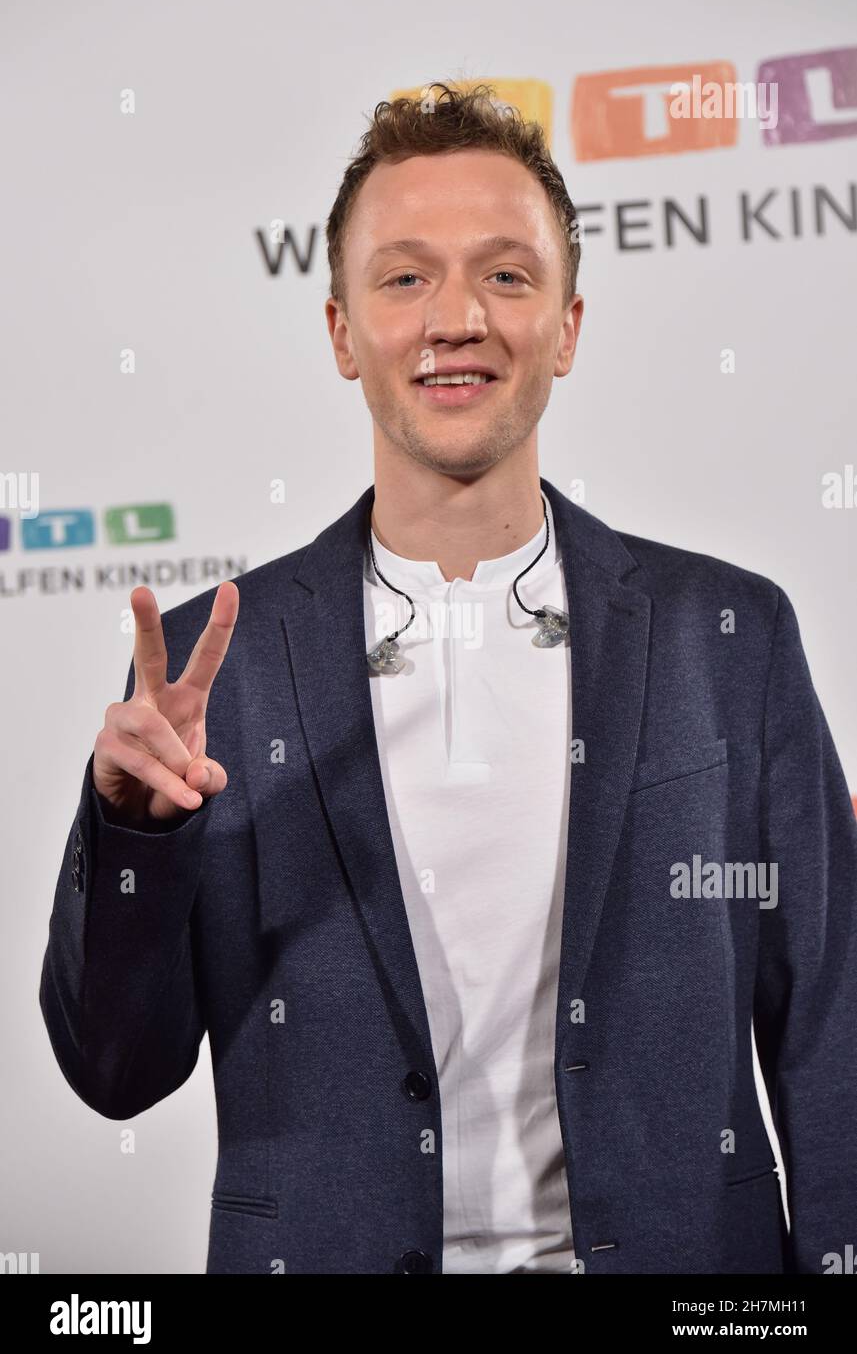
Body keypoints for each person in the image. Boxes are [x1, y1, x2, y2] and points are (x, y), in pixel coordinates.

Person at [40, 82, 857, 1275]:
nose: (456, 316)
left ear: (568, 326)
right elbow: (117, 1072)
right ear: (339, 331)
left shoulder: (726, 632)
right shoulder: (219, 660)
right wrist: (132, 835)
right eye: (405, 276)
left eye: (507, 275)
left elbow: (830, 1024)